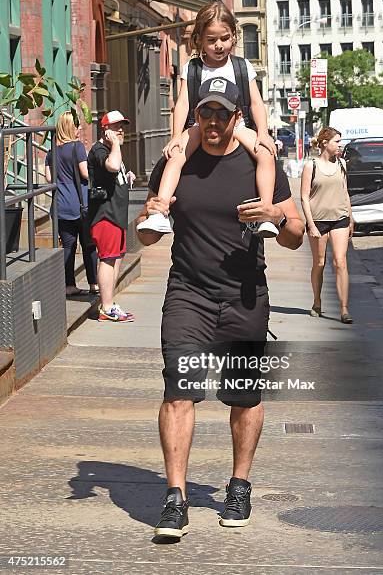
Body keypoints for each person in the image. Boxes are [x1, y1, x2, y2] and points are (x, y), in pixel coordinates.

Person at [137, 79, 304, 538]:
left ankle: (239, 485)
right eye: (205, 113)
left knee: (244, 396)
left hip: (245, 294)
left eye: (221, 114)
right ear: (197, 117)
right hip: (188, 292)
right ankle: (175, 498)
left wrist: (273, 216)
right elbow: (148, 235)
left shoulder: (257, 161)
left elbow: (295, 234)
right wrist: (150, 215)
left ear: (236, 118)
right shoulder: (177, 160)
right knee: (179, 390)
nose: (212, 122)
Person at [137, 1, 278, 239]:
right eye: (212, 40)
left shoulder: (242, 67)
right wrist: (175, 137)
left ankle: (264, 210)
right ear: (200, 38)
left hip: (238, 124)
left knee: (265, 154)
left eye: (224, 38)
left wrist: (263, 133)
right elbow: (181, 103)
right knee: (176, 156)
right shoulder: (192, 68)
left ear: (234, 36)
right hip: (198, 124)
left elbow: (256, 102)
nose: (219, 45)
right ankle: (159, 212)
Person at [300, 126, 354, 324]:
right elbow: (304, 197)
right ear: (325, 143)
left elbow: (345, 192)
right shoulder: (310, 166)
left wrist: (351, 217)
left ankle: (344, 309)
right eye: (337, 142)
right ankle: (317, 300)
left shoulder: (342, 164)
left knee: (340, 262)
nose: (340, 145)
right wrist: (311, 225)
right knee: (320, 263)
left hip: (340, 218)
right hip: (318, 220)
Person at [87, 110, 136, 322]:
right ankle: (106, 307)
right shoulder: (100, 150)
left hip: (117, 215)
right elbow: (112, 166)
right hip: (105, 216)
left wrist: (128, 176)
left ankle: (110, 302)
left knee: (116, 258)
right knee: (107, 259)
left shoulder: (112, 149)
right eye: (116, 127)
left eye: (122, 126)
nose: (120, 131)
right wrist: (114, 144)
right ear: (105, 129)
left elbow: (117, 172)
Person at [45, 111, 98, 297]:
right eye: (77, 125)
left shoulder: (51, 150)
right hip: (79, 205)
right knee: (89, 245)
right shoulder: (77, 148)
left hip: (60, 206)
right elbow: (84, 173)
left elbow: (49, 177)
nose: (80, 128)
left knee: (68, 246)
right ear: (70, 128)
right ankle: (93, 284)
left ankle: (69, 285)